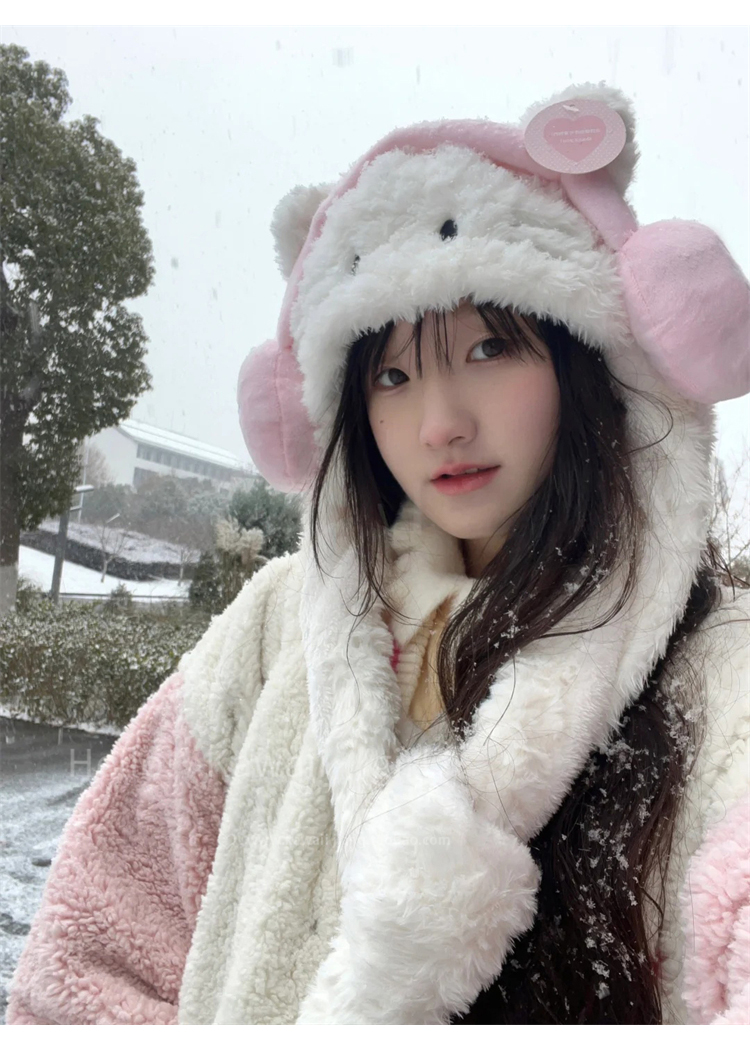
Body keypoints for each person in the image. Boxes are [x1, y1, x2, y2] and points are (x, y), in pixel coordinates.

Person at [6, 82, 750, 1026]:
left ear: (590, 360)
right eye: (393, 374)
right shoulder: (276, 631)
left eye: (490, 350)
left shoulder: (719, 678)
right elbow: (102, 938)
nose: (439, 423)